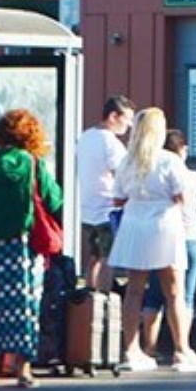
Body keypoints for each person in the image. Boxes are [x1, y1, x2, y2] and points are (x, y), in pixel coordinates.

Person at [108, 109, 196, 373]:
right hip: (164, 224)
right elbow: (181, 196)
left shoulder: (127, 162)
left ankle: (132, 350)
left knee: (134, 289)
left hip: (134, 223)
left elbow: (118, 199)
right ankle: (181, 350)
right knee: (174, 290)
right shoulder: (168, 160)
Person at [0, 109, 63, 389]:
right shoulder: (31, 164)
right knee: (24, 306)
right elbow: (54, 200)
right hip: (22, 247)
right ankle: (23, 370)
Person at [140, 130, 196, 360]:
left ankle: (149, 347)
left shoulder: (152, 173)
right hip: (190, 237)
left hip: (160, 237)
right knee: (184, 296)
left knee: (154, 295)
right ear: (182, 150)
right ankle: (183, 347)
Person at [74, 95, 134, 292]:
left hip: (86, 208)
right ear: (113, 116)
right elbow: (124, 174)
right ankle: (104, 299)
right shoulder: (111, 143)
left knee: (93, 258)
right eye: (126, 119)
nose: (129, 125)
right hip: (107, 208)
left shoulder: (85, 136)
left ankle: (89, 300)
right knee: (108, 258)